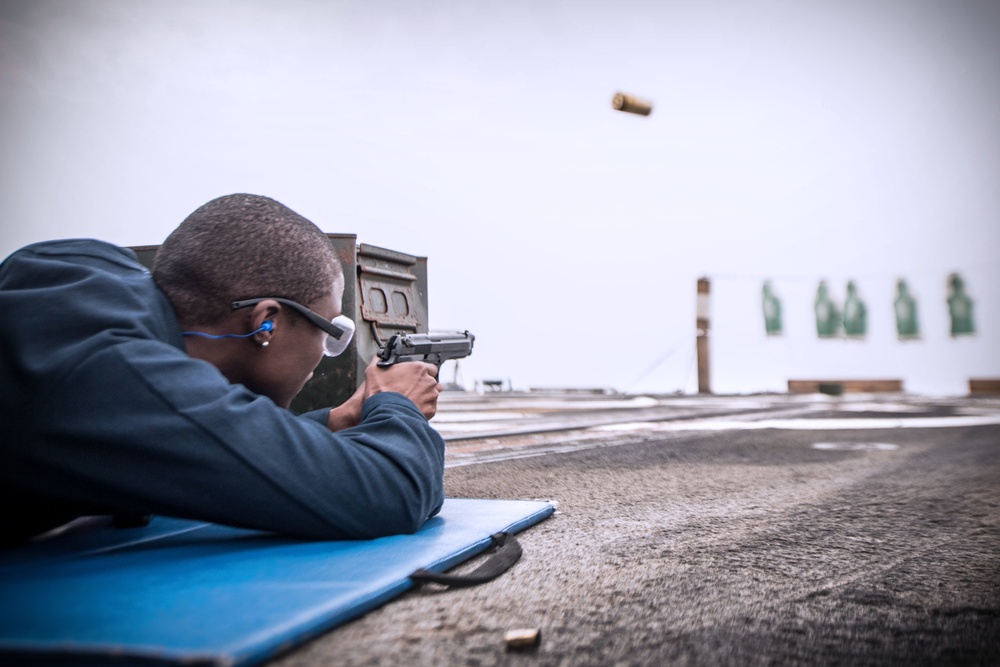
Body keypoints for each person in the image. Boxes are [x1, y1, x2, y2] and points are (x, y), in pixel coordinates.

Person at [0, 194, 445, 545]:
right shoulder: (116, 375)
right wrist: (396, 406)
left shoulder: (82, 279)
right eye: (330, 331)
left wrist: (335, 421)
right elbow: (390, 491)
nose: (326, 353)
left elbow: (195, 433)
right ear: (265, 324)